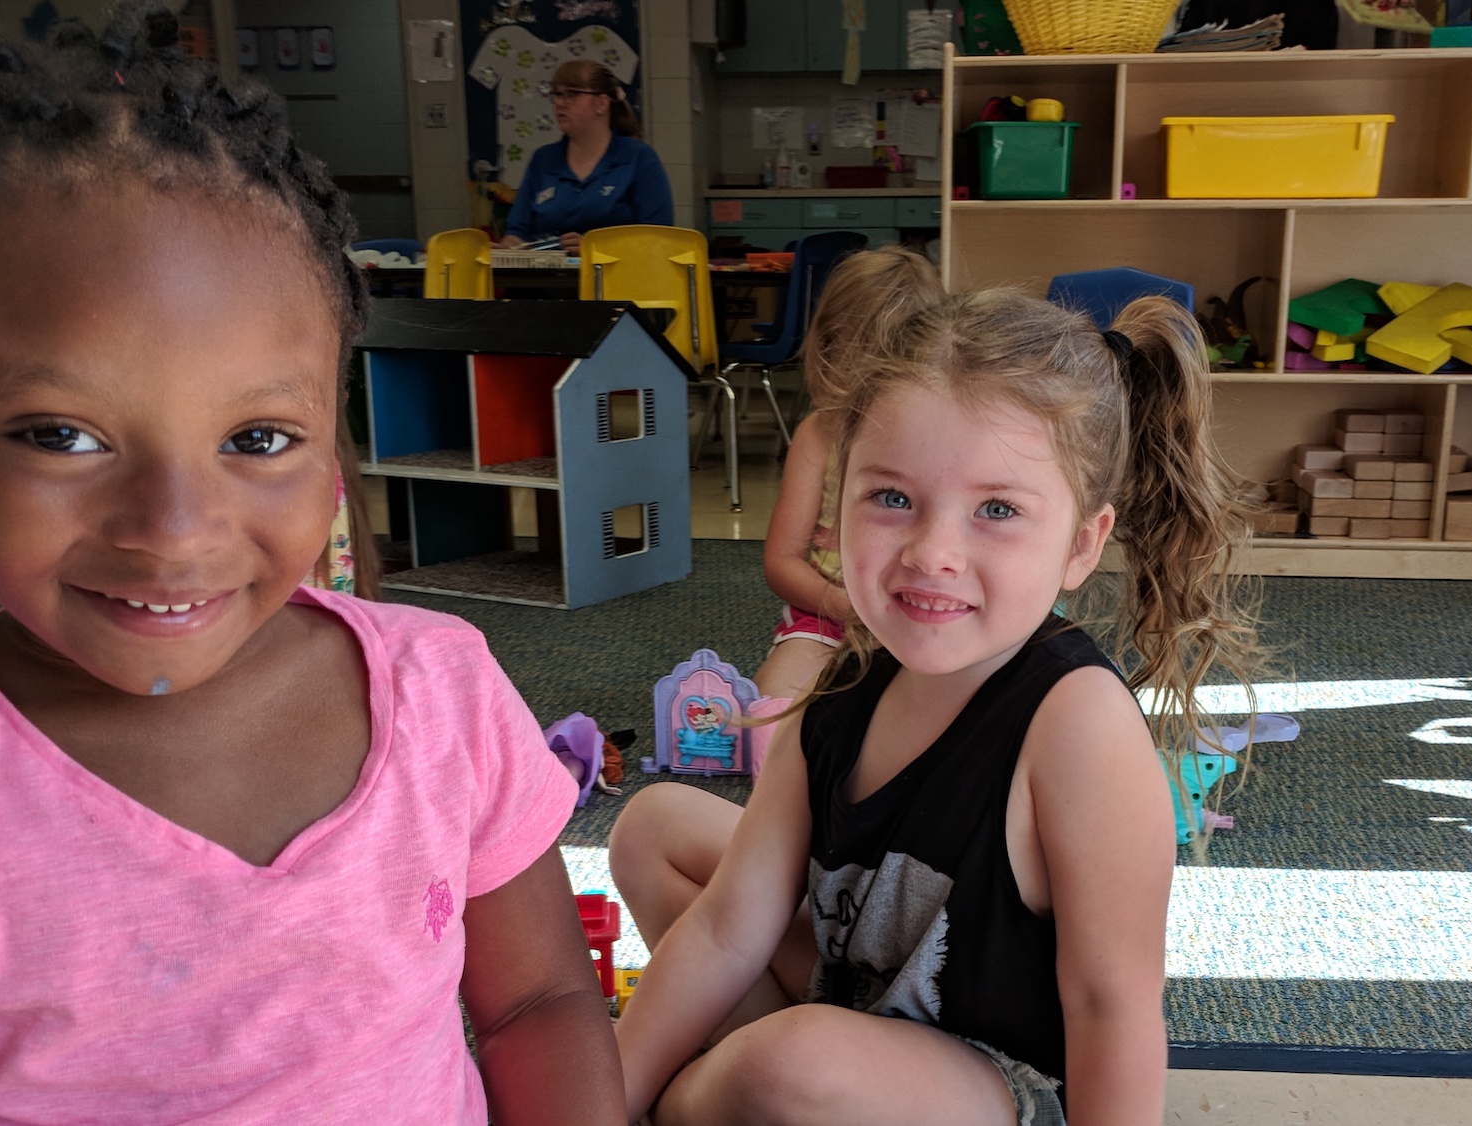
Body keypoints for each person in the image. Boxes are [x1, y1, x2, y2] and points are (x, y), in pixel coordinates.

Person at [0, 8, 623, 1124]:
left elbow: (539, 1005)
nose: (173, 529)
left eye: (258, 438)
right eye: (60, 434)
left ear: (331, 437)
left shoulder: (442, 689)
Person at [608, 252, 1265, 1126]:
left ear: (1082, 543)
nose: (931, 552)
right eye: (891, 497)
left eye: (996, 510)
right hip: (858, 1008)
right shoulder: (846, 690)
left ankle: (710, 1096)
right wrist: (595, 1093)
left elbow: (1112, 1010)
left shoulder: (1077, 725)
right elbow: (732, 925)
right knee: (656, 824)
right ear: (840, 503)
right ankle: (741, 1084)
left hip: (998, 1084)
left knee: (785, 1066)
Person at [751, 247, 940, 703]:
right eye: (851, 361)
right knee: (771, 705)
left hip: (924, 617)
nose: (864, 387)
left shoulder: (942, 440)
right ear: (829, 351)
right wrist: (840, 605)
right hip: (827, 619)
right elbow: (782, 562)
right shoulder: (818, 435)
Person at [501, 59, 673, 255]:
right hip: (547, 281)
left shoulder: (639, 158)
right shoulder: (543, 160)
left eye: (571, 94)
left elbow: (659, 238)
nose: (559, 103)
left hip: (616, 280)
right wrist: (511, 245)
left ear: (601, 103)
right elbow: (518, 230)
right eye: (557, 95)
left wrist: (597, 249)